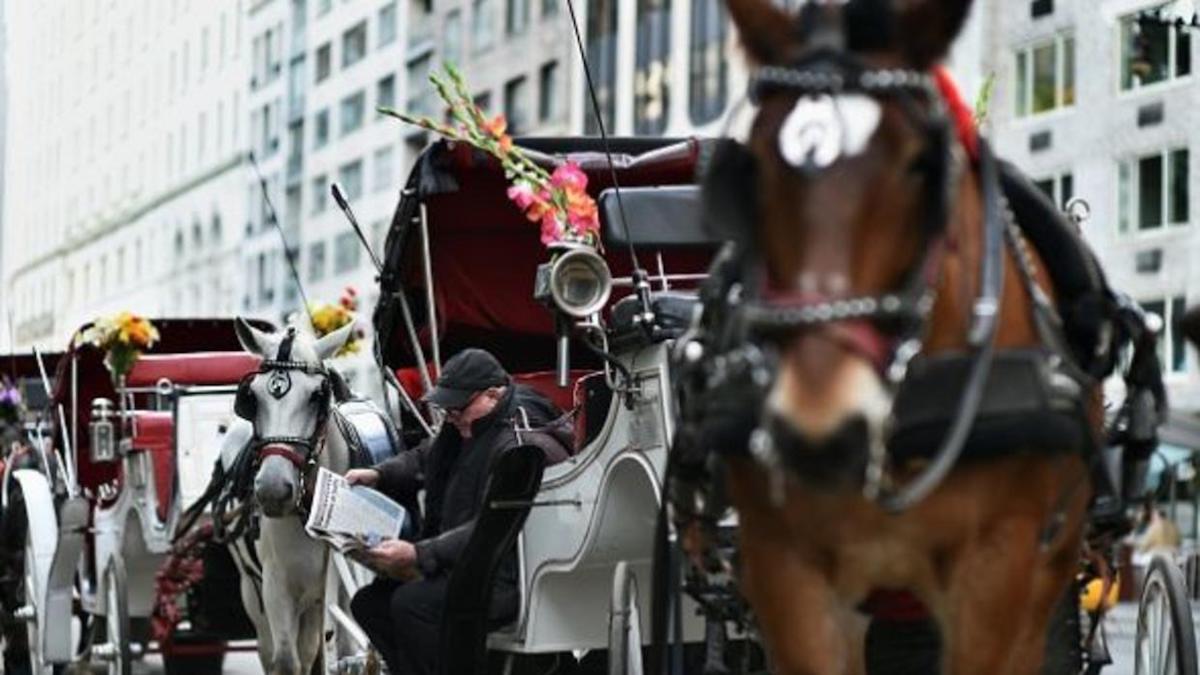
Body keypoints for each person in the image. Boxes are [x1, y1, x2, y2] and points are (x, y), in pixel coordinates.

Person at [347, 348, 573, 675]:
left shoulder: (517, 445)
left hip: (502, 576)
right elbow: (428, 455)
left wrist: (417, 554)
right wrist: (379, 474)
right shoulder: (470, 427)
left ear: (494, 395)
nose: (450, 416)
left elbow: (488, 529)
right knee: (369, 603)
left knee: (411, 606)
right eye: (447, 409)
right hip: (466, 564)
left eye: (457, 408)